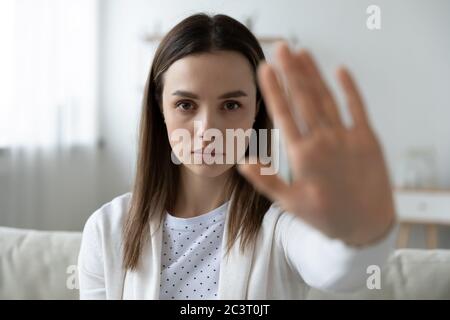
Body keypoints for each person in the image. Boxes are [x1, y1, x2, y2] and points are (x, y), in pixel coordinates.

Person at [78, 13, 397, 299]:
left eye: (231, 105)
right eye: (186, 105)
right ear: (160, 108)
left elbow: (341, 269)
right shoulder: (107, 229)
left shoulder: (282, 225)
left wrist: (359, 228)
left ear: (256, 110)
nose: (207, 129)